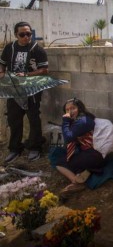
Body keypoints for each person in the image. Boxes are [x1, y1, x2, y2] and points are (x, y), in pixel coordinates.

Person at [0, 22, 48, 163]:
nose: (26, 37)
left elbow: (44, 70)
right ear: (16, 35)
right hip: (14, 90)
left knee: (33, 119)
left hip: (31, 90)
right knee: (14, 119)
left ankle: (35, 147)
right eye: (22, 34)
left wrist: (27, 75)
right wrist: (1, 71)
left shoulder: (37, 49)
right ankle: (15, 149)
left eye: (29, 34)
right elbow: (2, 62)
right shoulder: (9, 48)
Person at [55, 98, 105, 197]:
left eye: (73, 108)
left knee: (59, 164)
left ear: (80, 108)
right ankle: (84, 173)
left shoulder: (83, 121)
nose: (70, 112)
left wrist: (65, 122)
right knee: (74, 160)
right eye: (67, 110)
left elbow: (68, 137)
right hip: (93, 155)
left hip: (93, 155)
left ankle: (76, 183)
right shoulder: (81, 119)